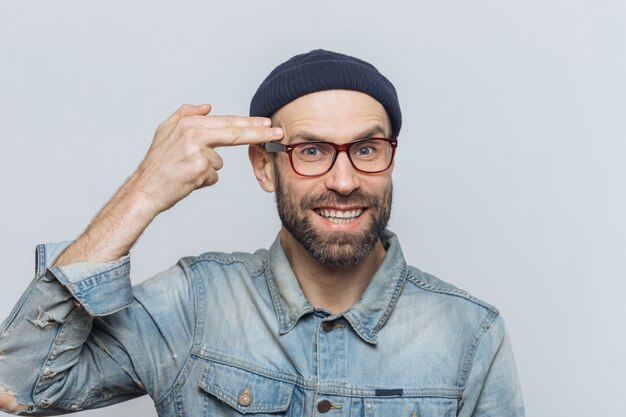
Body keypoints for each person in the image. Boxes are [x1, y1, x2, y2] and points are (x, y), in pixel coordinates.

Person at [0, 49, 524, 416]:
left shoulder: (470, 334)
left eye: (366, 149)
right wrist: (142, 192)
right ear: (263, 166)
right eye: (311, 151)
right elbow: (18, 386)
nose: (344, 181)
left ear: (391, 159)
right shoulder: (194, 305)